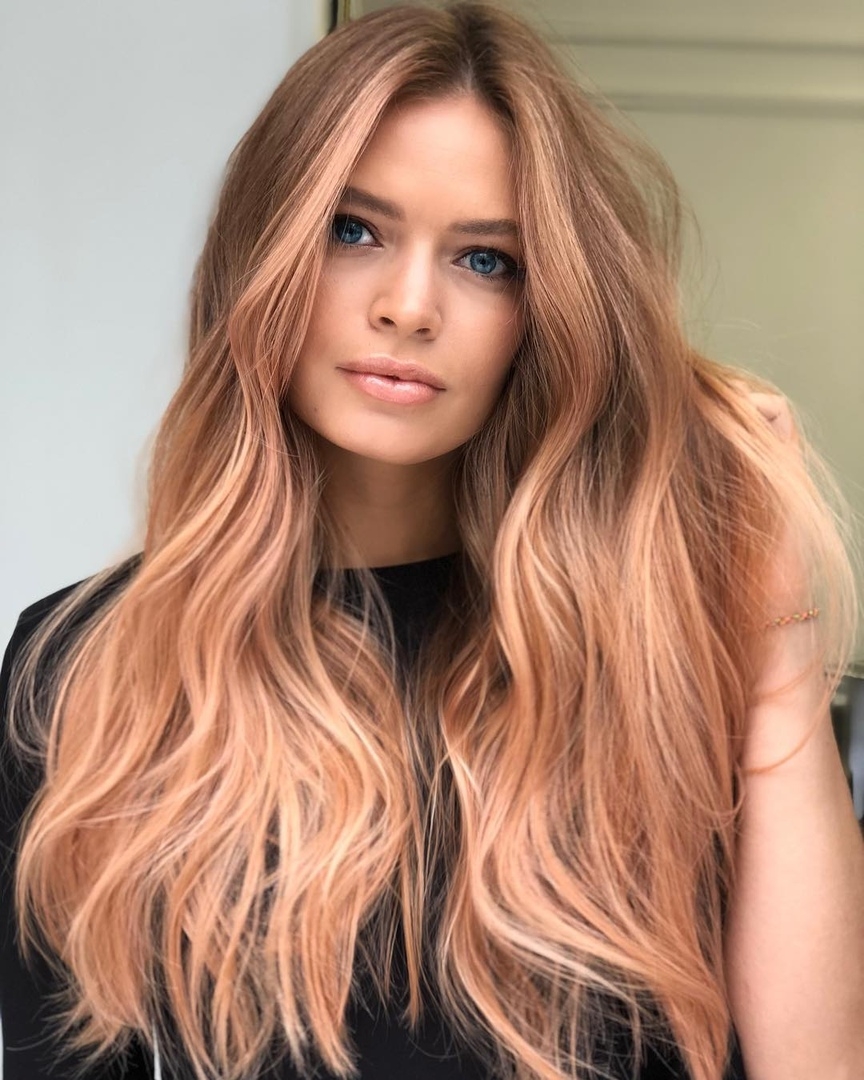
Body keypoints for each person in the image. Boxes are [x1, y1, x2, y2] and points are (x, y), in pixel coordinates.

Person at [2, 2, 863, 1079]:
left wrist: (775, 645)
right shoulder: (84, 669)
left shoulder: (651, 654)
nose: (409, 307)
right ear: (263, 254)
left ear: (544, 310)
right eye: (353, 230)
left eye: (485, 260)